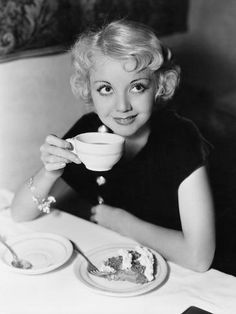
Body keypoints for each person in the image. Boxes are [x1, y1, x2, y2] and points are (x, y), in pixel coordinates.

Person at [11, 19, 215, 272]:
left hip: (174, 273)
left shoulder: (181, 139)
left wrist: (122, 223)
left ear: (159, 86)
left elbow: (199, 258)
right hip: (111, 265)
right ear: (89, 90)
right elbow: (20, 214)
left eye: (137, 87)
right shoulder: (89, 131)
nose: (122, 106)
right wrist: (48, 172)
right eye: (106, 89)